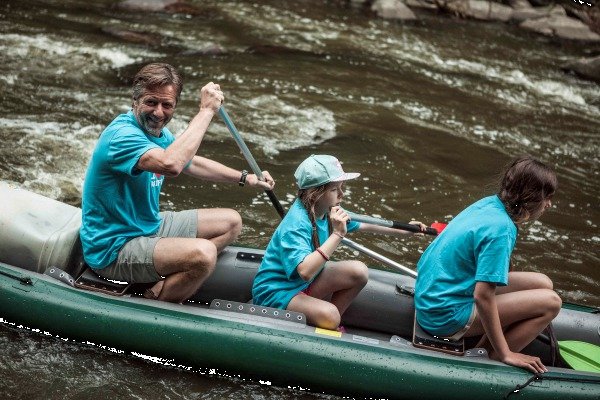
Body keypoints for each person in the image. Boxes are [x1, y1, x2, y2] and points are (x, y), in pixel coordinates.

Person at [80, 63, 275, 304]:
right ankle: (158, 306)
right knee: (204, 254)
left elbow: (190, 163)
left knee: (231, 222)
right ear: (135, 101)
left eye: (167, 105)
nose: (159, 113)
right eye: (151, 102)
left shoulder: (157, 134)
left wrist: (246, 177)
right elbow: (171, 164)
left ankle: (165, 278)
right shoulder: (122, 136)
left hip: (147, 227)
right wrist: (206, 111)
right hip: (114, 248)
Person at [414, 156, 561, 373]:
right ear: (530, 196)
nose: (549, 203)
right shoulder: (502, 229)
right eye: (546, 196)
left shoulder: (490, 204)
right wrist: (505, 353)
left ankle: (489, 345)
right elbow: (482, 296)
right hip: (445, 314)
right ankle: (492, 356)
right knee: (552, 302)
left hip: (438, 293)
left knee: (543, 283)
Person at [252, 154, 426, 330]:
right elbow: (305, 271)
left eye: (341, 188)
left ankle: (328, 323)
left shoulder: (325, 210)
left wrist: (404, 231)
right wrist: (337, 234)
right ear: (315, 194)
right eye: (335, 190)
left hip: (303, 284)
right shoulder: (296, 224)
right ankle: (327, 323)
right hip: (276, 292)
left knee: (358, 271)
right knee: (330, 315)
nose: (341, 195)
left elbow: (366, 224)